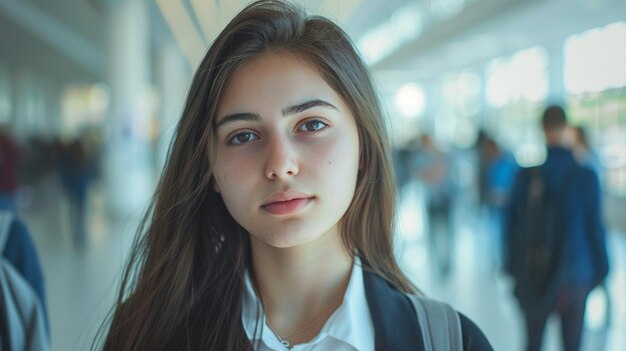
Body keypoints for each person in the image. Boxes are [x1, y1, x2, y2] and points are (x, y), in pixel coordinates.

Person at [99, 1, 493, 350]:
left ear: (363, 146)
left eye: (312, 125)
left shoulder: (451, 340)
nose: (280, 164)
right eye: (243, 136)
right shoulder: (149, 333)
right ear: (211, 170)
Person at [505, 105, 609, 351]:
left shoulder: (527, 176)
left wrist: (512, 268)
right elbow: (595, 227)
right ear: (566, 129)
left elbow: (510, 226)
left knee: (533, 343)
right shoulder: (586, 176)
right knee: (572, 345)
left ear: (542, 129)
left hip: (534, 270)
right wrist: (602, 269)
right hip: (576, 274)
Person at [411, 134, 457, 278]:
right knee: (433, 234)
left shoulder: (444, 156)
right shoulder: (421, 158)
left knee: (447, 233)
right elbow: (419, 175)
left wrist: (431, 173)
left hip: (446, 201)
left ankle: (446, 264)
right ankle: (437, 264)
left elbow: (444, 175)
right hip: (431, 202)